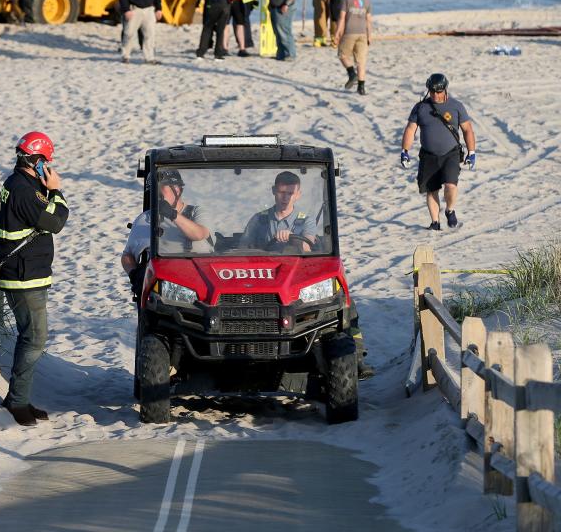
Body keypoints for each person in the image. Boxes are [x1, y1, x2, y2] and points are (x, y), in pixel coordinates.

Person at [243, 171, 373, 377]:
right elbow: (244, 250)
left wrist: (291, 240)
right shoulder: (259, 220)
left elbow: (307, 246)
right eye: (281, 192)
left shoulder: (305, 220)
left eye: (290, 193)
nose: (285, 197)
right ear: (273, 192)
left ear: (298, 195)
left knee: (346, 307)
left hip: (295, 280)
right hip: (260, 278)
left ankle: (355, 357)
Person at [0, 131, 70, 426]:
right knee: (34, 338)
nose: (48, 166)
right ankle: (17, 402)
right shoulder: (25, 190)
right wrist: (56, 191)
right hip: (24, 277)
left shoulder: (20, 184)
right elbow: (56, 221)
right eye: (46, 161)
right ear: (36, 160)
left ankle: (18, 398)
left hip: (26, 274)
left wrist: (46, 190)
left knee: (31, 337)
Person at [401, 73, 477, 230]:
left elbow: (467, 129)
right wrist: (405, 151)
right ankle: (435, 223)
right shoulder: (420, 107)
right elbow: (410, 129)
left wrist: (472, 152)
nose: (436, 94)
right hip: (428, 155)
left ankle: (450, 210)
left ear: (445, 89)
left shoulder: (456, 106)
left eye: (439, 91)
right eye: (433, 91)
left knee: (450, 185)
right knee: (431, 190)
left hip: (451, 153)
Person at [121, 169, 212, 294]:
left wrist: (172, 214)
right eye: (154, 190)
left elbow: (200, 234)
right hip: (166, 284)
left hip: (201, 278)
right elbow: (127, 255)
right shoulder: (145, 219)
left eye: (161, 188)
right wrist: (135, 274)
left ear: (178, 189)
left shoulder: (196, 212)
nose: (157, 194)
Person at [333, 0, 372, 95]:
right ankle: (361, 87)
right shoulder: (366, 0)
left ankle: (352, 74)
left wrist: (337, 33)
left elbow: (342, 17)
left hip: (350, 32)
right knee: (361, 61)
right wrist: (369, 35)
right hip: (363, 33)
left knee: (342, 54)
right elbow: (369, 20)